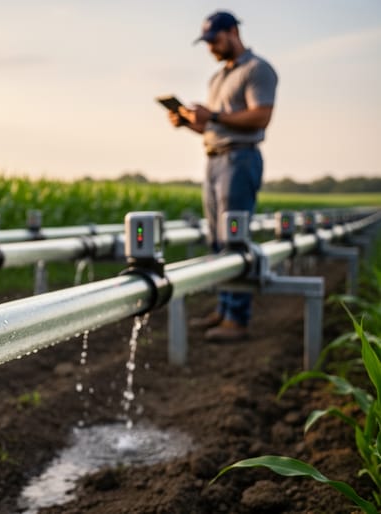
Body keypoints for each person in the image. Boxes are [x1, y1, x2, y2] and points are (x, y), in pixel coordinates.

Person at [167, 10, 278, 342]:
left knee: (234, 236)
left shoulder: (257, 70)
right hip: (214, 160)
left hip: (240, 160)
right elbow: (213, 125)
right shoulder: (217, 79)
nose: (211, 48)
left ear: (232, 32)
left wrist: (212, 114)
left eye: (214, 40)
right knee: (216, 238)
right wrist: (189, 122)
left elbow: (260, 117)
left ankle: (238, 318)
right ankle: (225, 307)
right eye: (207, 43)